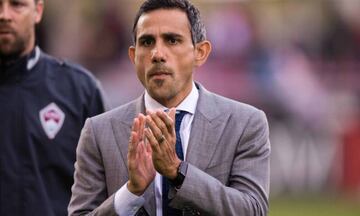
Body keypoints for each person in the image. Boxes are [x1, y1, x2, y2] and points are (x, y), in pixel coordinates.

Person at [68, 0, 270, 215]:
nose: (157, 54)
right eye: (146, 42)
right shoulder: (99, 132)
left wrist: (178, 171)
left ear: (200, 52)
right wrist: (131, 192)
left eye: (172, 40)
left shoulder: (245, 123)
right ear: (133, 56)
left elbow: (253, 210)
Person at [0, 0, 108, 215]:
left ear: (37, 11)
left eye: (17, 5)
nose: (4, 15)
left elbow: (106, 189)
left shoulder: (79, 91)